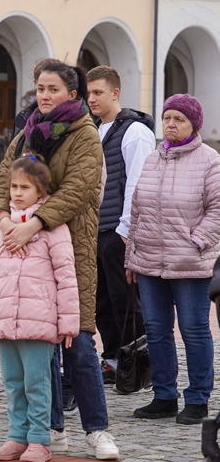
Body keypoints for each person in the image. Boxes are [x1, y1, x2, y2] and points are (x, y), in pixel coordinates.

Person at [0, 62, 120, 460]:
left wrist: (37, 223)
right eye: (40, 88)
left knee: (77, 340)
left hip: (68, 249)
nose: (44, 96)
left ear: (73, 95)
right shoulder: (28, 130)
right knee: (34, 343)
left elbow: (79, 189)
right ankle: (49, 430)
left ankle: (97, 430)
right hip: (22, 252)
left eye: (53, 89)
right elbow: (1, 182)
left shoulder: (85, 135)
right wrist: (3, 217)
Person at [0, 155, 80, 462]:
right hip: (5, 321)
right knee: (12, 381)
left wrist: (68, 322)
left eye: (25, 187)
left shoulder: (53, 228)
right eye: (13, 187)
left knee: (37, 382)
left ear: (41, 191)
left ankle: (39, 439)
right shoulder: (3, 227)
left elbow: (66, 276)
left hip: (38, 323)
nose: (18, 193)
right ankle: (16, 436)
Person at [127, 94, 220, 425]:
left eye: (179, 119)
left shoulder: (210, 161)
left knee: (194, 329)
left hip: (190, 264)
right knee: (155, 329)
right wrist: (132, 255)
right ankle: (164, 396)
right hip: (150, 261)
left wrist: (196, 242)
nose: (171, 124)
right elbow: (137, 210)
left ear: (194, 124)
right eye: (167, 118)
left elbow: (217, 211)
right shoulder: (154, 159)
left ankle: (197, 399)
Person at [85, 66, 154, 384]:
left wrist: (126, 231)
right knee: (102, 301)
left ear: (115, 92)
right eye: (89, 93)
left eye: (98, 92)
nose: (92, 99)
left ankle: (138, 363)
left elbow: (138, 183)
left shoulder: (134, 131)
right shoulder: (94, 130)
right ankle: (113, 359)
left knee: (126, 301)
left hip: (119, 230)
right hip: (96, 230)